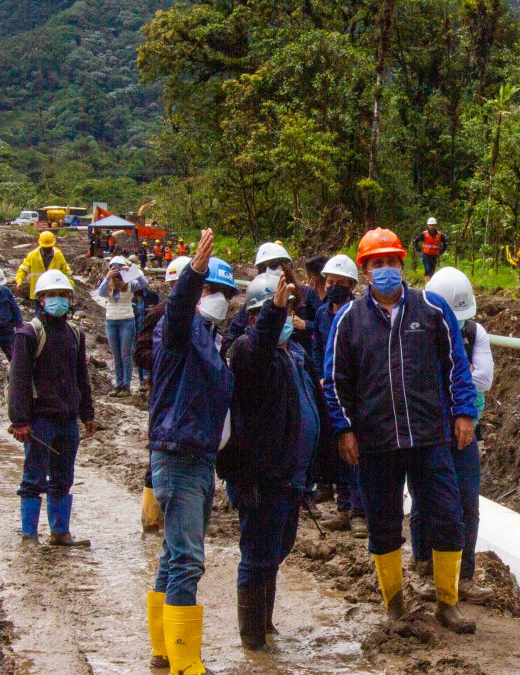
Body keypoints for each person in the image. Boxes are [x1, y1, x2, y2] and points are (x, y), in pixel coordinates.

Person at [323, 228, 478, 633]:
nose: (387, 269)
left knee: (447, 517)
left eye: (393, 261)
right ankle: (394, 605)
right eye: (378, 264)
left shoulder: (432, 310)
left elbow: (457, 367)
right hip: (377, 443)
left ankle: (448, 602)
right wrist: (344, 429)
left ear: (403, 264)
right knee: (384, 524)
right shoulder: (348, 321)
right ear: (365, 270)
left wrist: (463, 413)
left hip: (429, 437)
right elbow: (334, 380)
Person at [145, 231, 236, 674]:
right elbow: (178, 312)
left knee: (173, 555)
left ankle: (165, 651)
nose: (219, 299)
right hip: (178, 455)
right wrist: (194, 273)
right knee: (187, 560)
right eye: (212, 291)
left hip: (198, 458)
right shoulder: (177, 331)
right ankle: (185, 663)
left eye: (225, 293)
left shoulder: (212, 342)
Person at [218, 272, 317, 650]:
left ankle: (265, 623)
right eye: (275, 313)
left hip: (290, 476)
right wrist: (274, 311)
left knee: (279, 548)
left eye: (289, 312)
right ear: (255, 318)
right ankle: (253, 640)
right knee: (258, 554)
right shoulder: (245, 351)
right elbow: (258, 350)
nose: (285, 319)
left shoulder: (294, 355)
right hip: (260, 475)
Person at [412, 267, 494, 603]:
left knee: (467, 500)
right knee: (424, 498)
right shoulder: (416, 329)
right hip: (427, 429)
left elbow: (483, 379)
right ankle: (424, 567)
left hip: (464, 428)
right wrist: (460, 373)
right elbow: (418, 378)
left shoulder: (475, 333)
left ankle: (466, 575)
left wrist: (452, 374)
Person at [7, 269, 95, 547]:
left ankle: (60, 532)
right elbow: (18, 380)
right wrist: (19, 420)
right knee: (33, 477)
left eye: (63, 295)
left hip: (67, 419)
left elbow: (82, 377)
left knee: (63, 477)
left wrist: (87, 413)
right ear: (41, 300)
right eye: (52, 295)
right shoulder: (29, 334)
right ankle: (29, 535)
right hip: (39, 420)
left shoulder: (75, 334)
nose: (59, 300)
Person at [134, 256, 193, 535]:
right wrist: (167, 359)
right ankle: (151, 516)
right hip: (164, 395)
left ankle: (183, 506)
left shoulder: (200, 315)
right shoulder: (158, 314)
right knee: (159, 451)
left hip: (191, 395)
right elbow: (140, 352)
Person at [313, 255, 367, 538]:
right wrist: (321, 375)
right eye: (330, 281)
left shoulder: (359, 314)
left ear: (351, 284)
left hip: (353, 392)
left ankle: (360, 512)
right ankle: (344, 507)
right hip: (330, 389)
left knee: (355, 450)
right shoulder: (322, 314)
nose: (333, 286)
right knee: (338, 450)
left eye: (339, 282)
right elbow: (317, 348)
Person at [98, 256, 149, 397]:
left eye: (119, 267)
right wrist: (107, 277)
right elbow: (101, 293)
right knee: (116, 355)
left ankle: (126, 386)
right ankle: (118, 384)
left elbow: (144, 282)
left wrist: (131, 270)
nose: (117, 271)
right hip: (111, 321)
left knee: (125, 355)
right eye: (115, 268)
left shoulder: (130, 283)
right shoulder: (107, 284)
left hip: (127, 320)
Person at [15, 231, 73, 304]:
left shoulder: (58, 256)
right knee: (39, 314)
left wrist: (70, 285)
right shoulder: (32, 255)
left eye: (49, 247)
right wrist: (19, 282)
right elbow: (23, 270)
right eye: (45, 247)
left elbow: (66, 272)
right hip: (38, 292)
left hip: (54, 292)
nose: (47, 249)